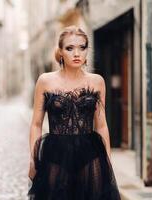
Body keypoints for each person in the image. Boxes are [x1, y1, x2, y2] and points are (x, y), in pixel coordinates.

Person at [27, 25, 121, 200]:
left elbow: (101, 126)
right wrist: (33, 159)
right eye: (70, 48)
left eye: (82, 47)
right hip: (55, 155)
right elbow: (36, 124)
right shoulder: (45, 81)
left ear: (87, 51)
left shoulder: (97, 82)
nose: (77, 53)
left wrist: (107, 161)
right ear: (60, 52)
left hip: (90, 155)